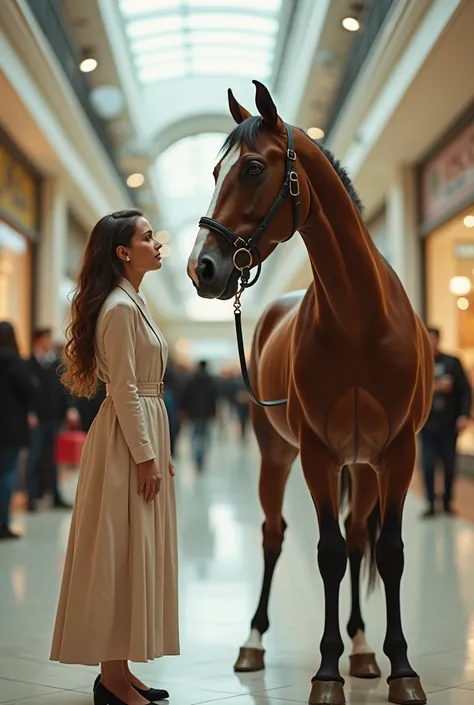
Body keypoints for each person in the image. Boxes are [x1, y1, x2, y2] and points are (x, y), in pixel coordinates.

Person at [49, 209, 179, 705]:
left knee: (131, 548)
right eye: (148, 238)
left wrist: (156, 452)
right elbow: (123, 389)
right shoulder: (121, 309)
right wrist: (147, 455)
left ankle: (119, 670)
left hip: (138, 432)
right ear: (123, 252)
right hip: (127, 437)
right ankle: (112, 677)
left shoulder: (132, 301)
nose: (157, 243)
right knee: (118, 551)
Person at [25, 327, 79, 511]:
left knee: (54, 458)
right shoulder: (29, 364)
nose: (49, 342)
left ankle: (54, 494)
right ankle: (31, 497)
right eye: (45, 338)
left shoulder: (57, 364)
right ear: (38, 341)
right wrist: (29, 411)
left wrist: (70, 408)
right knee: (34, 457)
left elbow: (65, 390)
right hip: (37, 420)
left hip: (54, 418)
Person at [420, 326, 472, 517]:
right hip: (427, 424)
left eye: (433, 338)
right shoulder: (419, 364)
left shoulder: (452, 362)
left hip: (449, 425)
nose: (430, 342)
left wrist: (464, 415)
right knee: (428, 464)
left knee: (449, 465)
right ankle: (431, 504)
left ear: (438, 340)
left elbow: (465, 391)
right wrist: (435, 387)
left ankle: (448, 502)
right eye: (427, 338)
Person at [0, 322, 39, 539]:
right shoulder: (16, 363)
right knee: (7, 475)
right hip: (11, 429)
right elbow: (31, 389)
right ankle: (3, 523)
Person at [181, 360, 218, 471]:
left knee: (195, 435)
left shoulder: (191, 380)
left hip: (193, 413)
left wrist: (184, 410)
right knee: (204, 436)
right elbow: (214, 398)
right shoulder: (211, 380)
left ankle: (196, 457)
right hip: (206, 413)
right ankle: (201, 458)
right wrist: (214, 413)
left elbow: (185, 395)